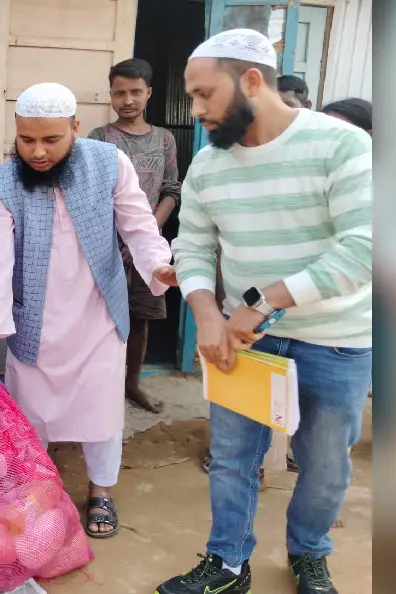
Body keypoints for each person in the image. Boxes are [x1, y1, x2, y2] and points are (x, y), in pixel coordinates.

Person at [153, 30, 372, 594]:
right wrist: (204, 312)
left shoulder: (341, 146)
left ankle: (309, 554)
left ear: (253, 80)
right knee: (230, 457)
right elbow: (194, 247)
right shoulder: (209, 166)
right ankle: (227, 563)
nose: (195, 109)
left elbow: (367, 247)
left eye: (204, 94)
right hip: (242, 342)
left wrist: (264, 301)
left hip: (336, 339)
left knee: (324, 466)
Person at [0, 82, 177, 539]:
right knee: (31, 412)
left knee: (101, 410)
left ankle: (100, 490)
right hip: (35, 321)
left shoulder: (108, 164)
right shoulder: (2, 184)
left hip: (98, 314)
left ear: (75, 129)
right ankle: (37, 488)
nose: (37, 152)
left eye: (51, 140)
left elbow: (138, 225)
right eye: (26, 140)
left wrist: (159, 265)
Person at [87, 58, 182, 414]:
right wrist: (116, 236)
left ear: (149, 94)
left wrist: (150, 226)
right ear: (110, 95)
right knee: (101, 318)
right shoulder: (99, 140)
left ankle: (132, 386)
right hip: (106, 247)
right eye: (120, 92)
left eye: (136, 92)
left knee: (139, 318)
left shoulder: (164, 140)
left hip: (146, 246)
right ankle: (99, 388)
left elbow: (172, 188)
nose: (128, 99)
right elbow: (90, 194)